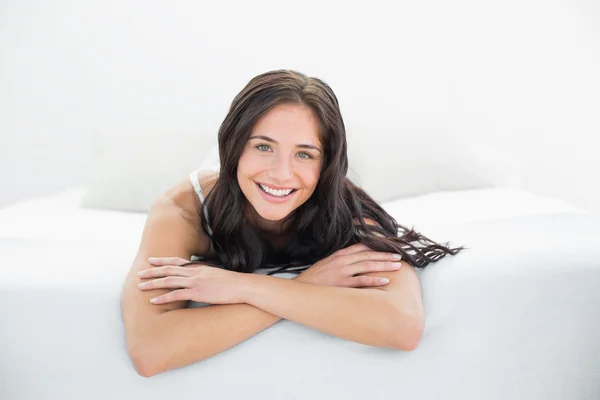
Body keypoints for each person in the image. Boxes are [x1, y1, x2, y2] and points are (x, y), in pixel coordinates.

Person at [121, 69, 463, 377]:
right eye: (263, 147)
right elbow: (150, 350)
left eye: (304, 154)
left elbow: (402, 326)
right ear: (234, 146)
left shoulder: (344, 208)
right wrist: (311, 283)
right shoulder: (184, 209)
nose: (281, 174)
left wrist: (243, 286)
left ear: (326, 164)